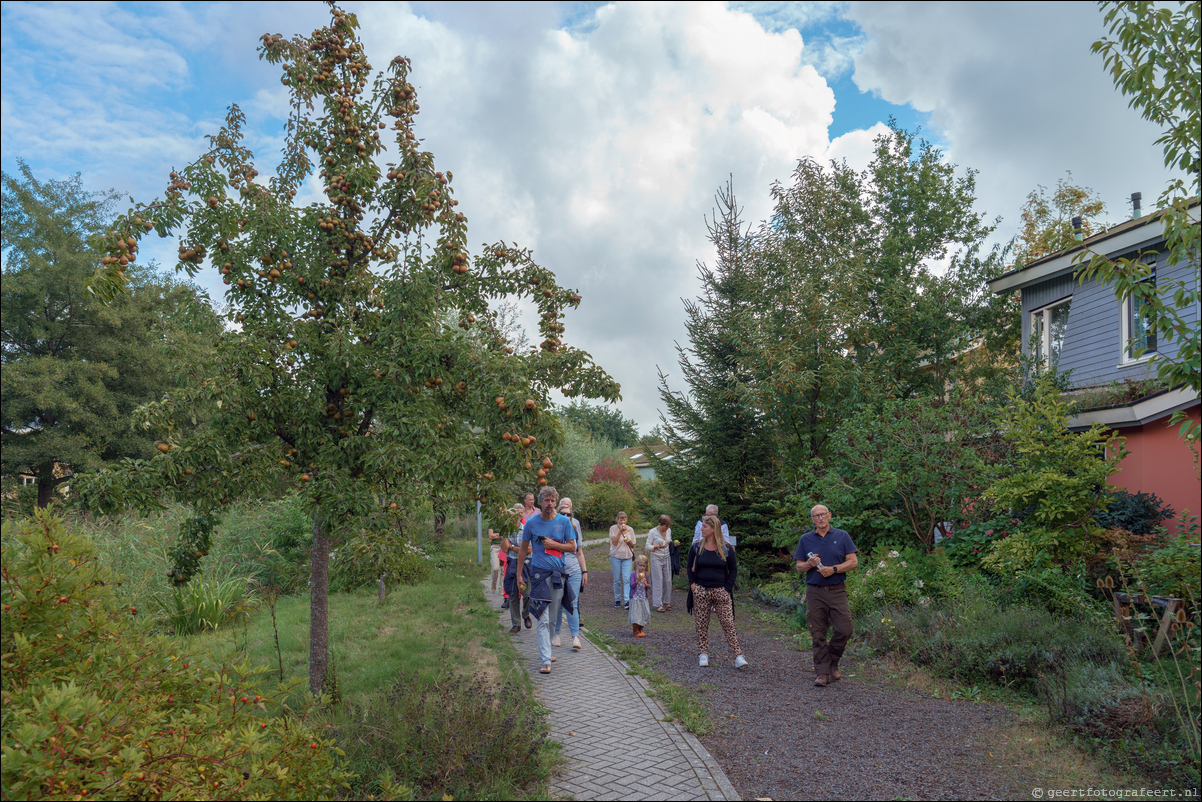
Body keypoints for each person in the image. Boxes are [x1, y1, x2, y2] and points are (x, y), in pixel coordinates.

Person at [516, 485, 578, 674]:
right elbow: (522, 550)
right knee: (542, 617)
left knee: (552, 617)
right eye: (546, 500)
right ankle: (545, 661)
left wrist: (553, 544)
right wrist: (519, 574)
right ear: (540, 501)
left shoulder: (564, 522)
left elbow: (573, 547)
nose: (549, 503)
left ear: (555, 502)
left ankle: (548, 650)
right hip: (538, 574)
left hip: (557, 573)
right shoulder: (532, 524)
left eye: (552, 500)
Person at [794, 504, 858, 687]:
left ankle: (832, 661)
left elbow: (853, 562)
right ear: (812, 519)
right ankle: (823, 673)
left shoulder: (842, 536)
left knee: (845, 630)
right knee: (817, 632)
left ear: (829, 515)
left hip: (837, 590)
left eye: (823, 514)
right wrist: (809, 564)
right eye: (816, 516)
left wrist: (834, 569)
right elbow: (799, 567)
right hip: (815, 591)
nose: (820, 518)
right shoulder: (805, 539)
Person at [687, 515, 748, 669]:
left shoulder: (726, 548)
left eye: (705, 527)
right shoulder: (696, 547)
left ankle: (738, 656)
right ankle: (703, 653)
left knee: (728, 623)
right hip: (701, 590)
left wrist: (727, 588)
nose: (701, 529)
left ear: (713, 529)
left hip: (721, 591)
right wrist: (693, 585)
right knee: (701, 624)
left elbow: (733, 569)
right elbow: (689, 567)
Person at [553, 497, 587, 650]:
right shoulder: (553, 528)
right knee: (558, 604)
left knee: (572, 603)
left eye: (569, 514)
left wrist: (584, 571)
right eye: (563, 514)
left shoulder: (575, 528)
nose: (566, 517)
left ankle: (575, 637)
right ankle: (557, 634)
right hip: (558, 570)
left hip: (574, 570)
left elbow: (579, 552)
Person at [501, 504, 529, 632]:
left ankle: (526, 614)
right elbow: (504, 548)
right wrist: (505, 535)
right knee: (512, 594)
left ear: (518, 518)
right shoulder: (507, 531)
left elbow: (528, 550)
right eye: (507, 518)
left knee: (528, 593)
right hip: (512, 563)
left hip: (526, 564)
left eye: (512, 518)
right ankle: (516, 624)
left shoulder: (526, 529)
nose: (510, 520)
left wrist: (513, 547)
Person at [645, 514, 673, 612]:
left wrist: (674, 544)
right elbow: (647, 546)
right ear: (660, 524)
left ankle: (666, 601)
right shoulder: (652, 532)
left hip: (666, 557)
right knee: (658, 580)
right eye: (665, 526)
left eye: (668, 526)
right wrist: (656, 547)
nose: (667, 528)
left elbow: (669, 541)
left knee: (668, 580)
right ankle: (658, 604)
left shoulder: (668, 531)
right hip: (656, 557)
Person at [609, 511, 636, 609]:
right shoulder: (613, 528)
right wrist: (620, 531)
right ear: (617, 520)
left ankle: (627, 601)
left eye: (624, 519)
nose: (622, 521)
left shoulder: (631, 530)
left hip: (627, 557)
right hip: (615, 556)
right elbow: (614, 543)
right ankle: (617, 599)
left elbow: (633, 545)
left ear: (626, 520)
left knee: (626, 579)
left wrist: (629, 542)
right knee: (617, 579)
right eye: (620, 519)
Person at [629, 554, 651, 637]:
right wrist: (637, 580)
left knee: (644, 614)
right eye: (641, 565)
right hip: (636, 598)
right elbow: (632, 586)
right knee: (636, 615)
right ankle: (635, 631)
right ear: (637, 564)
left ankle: (641, 629)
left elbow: (649, 586)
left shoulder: (646, 575)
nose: (642, 567)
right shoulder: (634, 575)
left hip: (643, 598)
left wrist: (646, 584)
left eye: (644, 566)